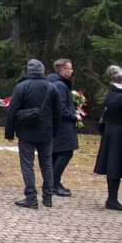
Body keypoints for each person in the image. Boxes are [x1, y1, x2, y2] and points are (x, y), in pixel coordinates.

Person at [5, 59, 61, 209]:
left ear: (29, 71)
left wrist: (9, 133)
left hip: (26, 132)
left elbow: (12, 111)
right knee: (47, 165)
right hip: (46, 133)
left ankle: (31, 198)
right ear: (43, 71)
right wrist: (54, 132)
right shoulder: (52, 87)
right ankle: (48, 197)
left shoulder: (21, 86)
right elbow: (58, 113)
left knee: (27, 165)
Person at [93, 67, 122, 211]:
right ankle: (112, 199)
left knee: (113, 164)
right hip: (121, 133)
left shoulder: (111, 93)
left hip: (111, 131)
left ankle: (112, 198)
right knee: (116, 165)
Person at [46, 58, 79, 197]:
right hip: (62, 125)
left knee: (56, 153)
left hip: (58, 124)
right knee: (66, 152)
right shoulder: (59, 85)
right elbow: (60, 106)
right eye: (70, 68)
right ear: (62, 70)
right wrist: (73, 115)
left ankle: (52, 182)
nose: (72, 71)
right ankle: (53, 182)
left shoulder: (56, 83)